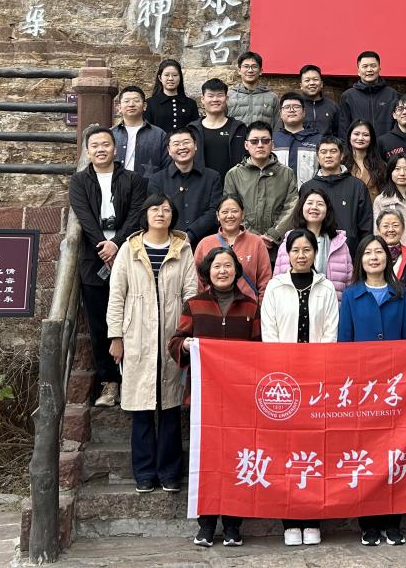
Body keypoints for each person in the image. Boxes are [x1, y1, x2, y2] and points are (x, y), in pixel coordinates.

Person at [169, 245, 260, 547]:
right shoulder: (194, 305)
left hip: (240, 399)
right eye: (217, 266)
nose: (223, 271)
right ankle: (206, 524)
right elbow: (176, 341)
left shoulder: (250, 307)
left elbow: (260, 348)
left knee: (238, 460)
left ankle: (233, 525)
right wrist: (185, 346)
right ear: (207, 272)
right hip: (202, 397)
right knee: (205, 461)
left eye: (228, 266)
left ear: (237, 271)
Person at [106, 195, 197, 493]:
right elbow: (117, 295)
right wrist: (116, 336)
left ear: (173, 216)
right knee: (141, 407)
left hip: (173, 337)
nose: (160, 214)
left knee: (170, 407)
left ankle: (170, 472)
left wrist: (187, 333)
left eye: (166, 210)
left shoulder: (183, 248)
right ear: (145, 214)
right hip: (137, 336)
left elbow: (191, 295)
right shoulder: (129, 249)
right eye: (155, 209)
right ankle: (144, 472)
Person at [261, 228, 339, 547]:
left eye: (307, 249)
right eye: (296, 250)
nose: (301, 255)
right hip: (284, 381)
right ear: (287, 254)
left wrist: (319, 368)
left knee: (314, 450)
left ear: (315, 253)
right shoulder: (275, 287)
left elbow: (331, 333)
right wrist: (282, 368)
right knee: (286, 451)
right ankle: (290, 519)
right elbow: (269, 333)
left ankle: (312, 518)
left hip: (317, 379)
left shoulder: (326, 287)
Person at [337, 233, 406, 546]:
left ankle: (393, 522)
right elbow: (344, 344)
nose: (374, 257)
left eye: (379, 252)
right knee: (366, 454)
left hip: (394, 387)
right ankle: (368, 523)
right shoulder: (351, 295)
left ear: (387, 258)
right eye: (368, 253)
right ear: (360, 260)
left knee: (395, 454)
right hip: (362, 389)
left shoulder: (401, 294)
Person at [68, 125, 146, 408]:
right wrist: (103, 245)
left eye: (106, 144)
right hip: (94, 259)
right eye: (95, 146)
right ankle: (109, 382)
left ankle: (133, 380)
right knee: (100, 324)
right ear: (88, 151)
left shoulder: (134, 180)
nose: (101, 149)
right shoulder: (79, 181)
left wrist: (117, 243)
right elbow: (85, 217)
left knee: (133, 318)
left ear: (115, 148)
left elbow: (137, 214)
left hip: (129, 256)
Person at [222, 121, 298, 248]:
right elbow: (231, 209)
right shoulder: (234, 174)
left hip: (277, 245)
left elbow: (291, 207)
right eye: (254, 141)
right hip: (243, 243)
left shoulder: (287, 173)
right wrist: (252, 237)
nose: (260, 145)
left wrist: (273, 235)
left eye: (265, 141)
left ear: (272, 144)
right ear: (246, 145)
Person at [148, 129, 223, 249]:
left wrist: (190, 234)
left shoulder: (212, 177)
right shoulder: (157, 180)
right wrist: (175, 237)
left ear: (195, 145)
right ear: (169, 150)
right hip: (168, 244)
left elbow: (214, 211)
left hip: (205, 244)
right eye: (176, 144)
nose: (182, 147)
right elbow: (156, 213)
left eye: (186, 142)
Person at [272, 187, 351, 299]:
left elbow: (349, 284)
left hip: (332, 306)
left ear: (327, 210)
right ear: (301, 208)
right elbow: (276, 283)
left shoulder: (339, 244)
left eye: (320, 204)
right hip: (294, 306)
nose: (314, 207)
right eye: (309, 203)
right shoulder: (288, 242)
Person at [192, 195, 273, 302]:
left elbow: (265, 280)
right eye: (224, 212)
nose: (230, 216)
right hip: (212, 307)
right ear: (217, 216)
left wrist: (261, 307)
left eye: (234, 211)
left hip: (248, 307)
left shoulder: (256, 243)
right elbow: (197, 281)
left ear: (242, 214)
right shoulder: (205, 243)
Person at [299, 135, 372, 252]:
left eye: (333, 151)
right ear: (317, 158)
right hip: (314, 252)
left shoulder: (357, 186)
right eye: (323, 152)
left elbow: (366, 226)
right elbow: (300, 223)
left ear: (341, 156)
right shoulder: (307, 187)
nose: (328, 155)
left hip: (350, 252)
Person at [189, 78, 247, 177]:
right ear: (202, 99)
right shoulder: (192, 130)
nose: (215, 99)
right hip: (201, 184)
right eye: (210, 96)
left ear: (226, 98)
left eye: (220, 95)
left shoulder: (239, 128)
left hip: (233, 184)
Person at [337, 50, 399, 137]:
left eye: (373, 66)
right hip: (359, 144)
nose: (369, 70)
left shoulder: (392, 94)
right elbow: (343, 129)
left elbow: (398, 124)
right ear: (358, 71)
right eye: (365, 66)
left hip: (386, 144)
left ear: (379, 69)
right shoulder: (348, 96)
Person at [113, 85, 169, 177]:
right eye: (126, 101)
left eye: (136, 100)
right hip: (116, 184)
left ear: (144, 106)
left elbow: (167, 166)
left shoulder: (159, 134)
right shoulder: (111, 134)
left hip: (149, 184)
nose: (131, 104)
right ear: (119, 107)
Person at [272, 91, 320, 186]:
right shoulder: (271, 140)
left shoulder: (317, 139)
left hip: (309, 193)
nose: (292, 110)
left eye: (296, 106)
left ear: (304, 112)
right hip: (278, 193)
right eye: (287, 107)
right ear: (280, 113)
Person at [146, 58, 200, 134]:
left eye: (175, 75)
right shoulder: (150, 103)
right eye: (166, 75)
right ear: (160, 78)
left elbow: (195, 131)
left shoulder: (190, 103)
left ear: (180, 77)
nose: (171, 78)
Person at [228, 51, 278, 127]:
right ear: (239, 71)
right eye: (246, 66)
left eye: (254, 66)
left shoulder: (272, 97)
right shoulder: (229, 96)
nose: (250, 70)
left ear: (260, 71)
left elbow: (277, 126)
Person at [345, 119, 386, 199]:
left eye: (365, 135)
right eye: (356, 134)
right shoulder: (341, 164)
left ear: (371, 139)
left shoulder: (381, 166)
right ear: (349, 136)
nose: (360, 138)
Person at [298, 64, 338, 136]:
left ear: (321, 84)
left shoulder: (333, 106)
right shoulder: (295, 106)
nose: (312, 83)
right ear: (301, 86)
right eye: (307, 80)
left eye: (315, 79)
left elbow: (339, 133)